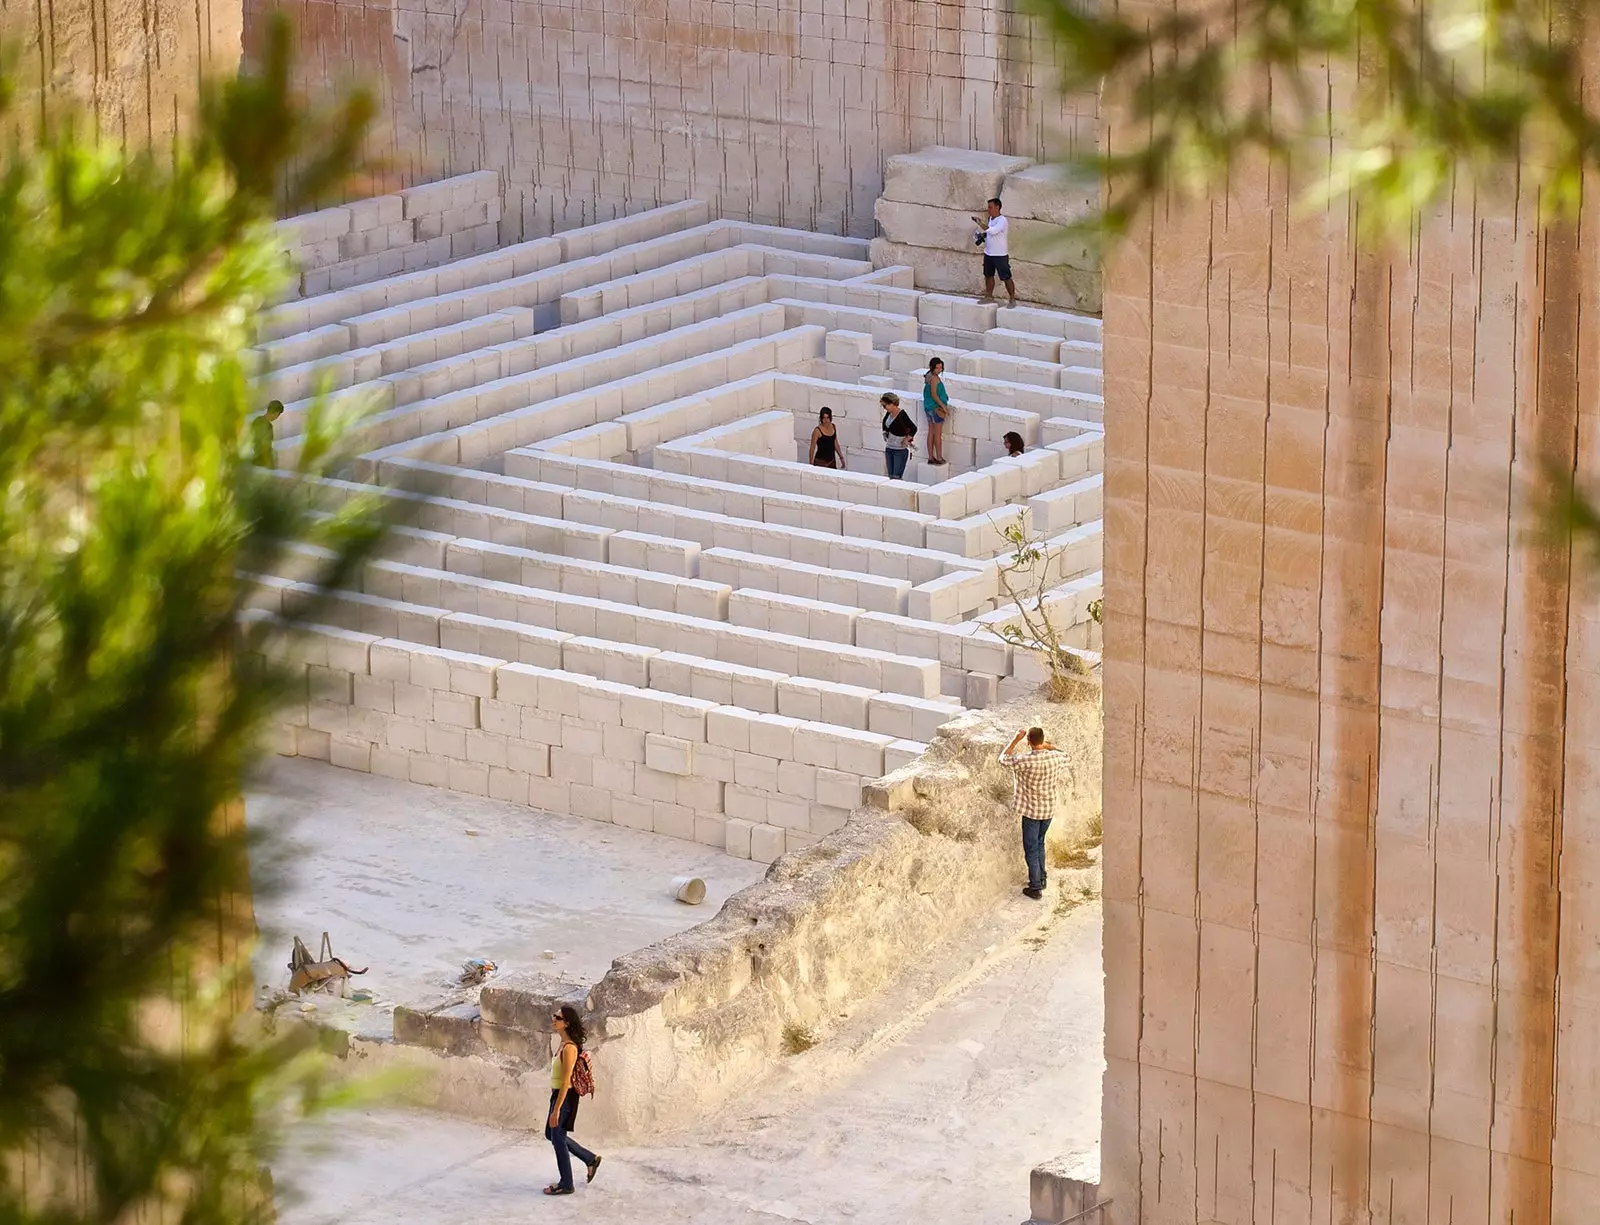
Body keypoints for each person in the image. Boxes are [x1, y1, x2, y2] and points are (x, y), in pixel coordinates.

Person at [999, 726, 1069, 899]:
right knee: (1040, 843)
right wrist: (1048, 746)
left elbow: (1003, 759)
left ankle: (1035, 887)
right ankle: (1042, 878)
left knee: (1031, 848)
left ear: (1028, 742)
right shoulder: (1055, 758)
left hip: (1031, 811)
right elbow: (1067, 756)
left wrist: (1016, 739)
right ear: (1042, 740)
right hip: (1048, 809)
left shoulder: (1024, 760)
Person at [543, 1004, 601, 1195]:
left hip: (565, 1097)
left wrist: (557, 1109)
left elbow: (567, 1081)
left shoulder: (569, 1049)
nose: (553, 1019)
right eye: (554, 1016)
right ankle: (590, 1159)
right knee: (552, 1135)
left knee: (557, 1139)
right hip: (558, 1095)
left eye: (557, 1018)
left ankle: (566, 1183)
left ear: (566, 1023)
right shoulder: (562, 1044)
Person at [971, 197, 1017, 306]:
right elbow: (989, 234)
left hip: (1000, 255)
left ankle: (1012, 299)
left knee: (1006, 277)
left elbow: (994, 231)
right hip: (989, 253)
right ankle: (989, 296)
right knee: (988, 275)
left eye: (990, 207)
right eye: (988, 207)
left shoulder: (1002, 220)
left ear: (997, 207)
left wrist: (980, 223)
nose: (988, 209)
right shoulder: (990, 219)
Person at [881, 392, 917, 480]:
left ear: (892, 404)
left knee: (896, 477)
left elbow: (913, 428)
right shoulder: (888, 414)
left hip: (899, 450)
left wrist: (906, 440)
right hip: (889, 448)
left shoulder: (902, 415)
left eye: (885, 406)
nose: (884, 408)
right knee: (890, 476)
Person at [922, 358, 951, 465]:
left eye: (940, 367)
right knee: (937, 434)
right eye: (937, 368)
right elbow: (934, 394)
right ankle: (938, 457)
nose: (939, 370)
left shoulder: (928, 377)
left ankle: (930, 457)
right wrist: (943, 406)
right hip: (935, 408)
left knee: (931, 432)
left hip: (928, 407)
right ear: (932, 367)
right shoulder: (934, 378)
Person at [251, 400, 284, 467]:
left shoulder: (257, 420)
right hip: (261, 461)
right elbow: (265, 447)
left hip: (253, 458)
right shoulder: (268, 427)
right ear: (276, 414)